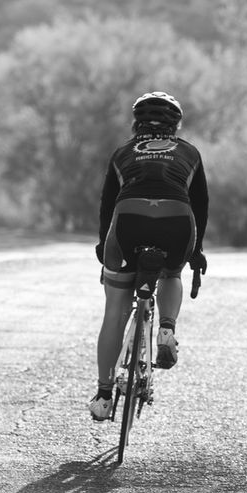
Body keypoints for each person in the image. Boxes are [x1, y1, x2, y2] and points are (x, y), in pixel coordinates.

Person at [89, 91, 209, 421]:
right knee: (171, 273)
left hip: (127, 220)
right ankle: (167, 329)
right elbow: (200, 206)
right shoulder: (189, 152)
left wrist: (105, 248)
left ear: (136, 124)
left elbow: (106, 207)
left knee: (115, 308)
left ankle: (103, 395)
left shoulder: (122, 153)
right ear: (176, 125)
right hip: (177, 220)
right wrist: (195, 251)